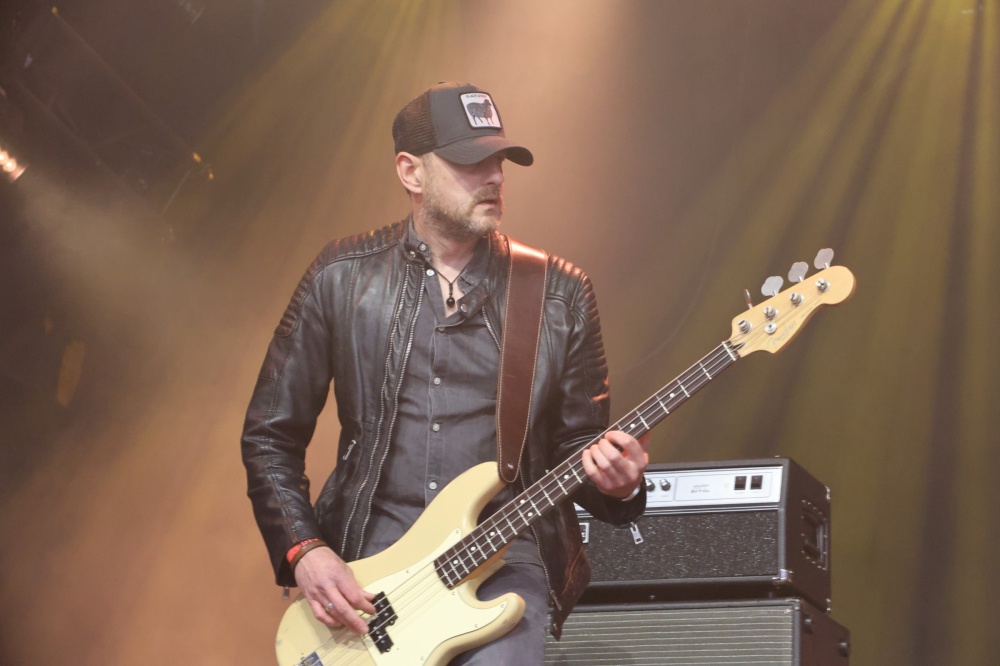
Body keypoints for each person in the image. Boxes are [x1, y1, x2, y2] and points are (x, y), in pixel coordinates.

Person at [241, 81, 649, 664]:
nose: (495, 176)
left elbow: (579, 448)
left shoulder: (558, 293)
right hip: (370, 562)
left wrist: (620, 484)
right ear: (411, 172)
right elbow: (269, 435)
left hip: (504, 558)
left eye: (500, 161)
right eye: (470, 162)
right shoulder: (341, 276)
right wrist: (305, 550)